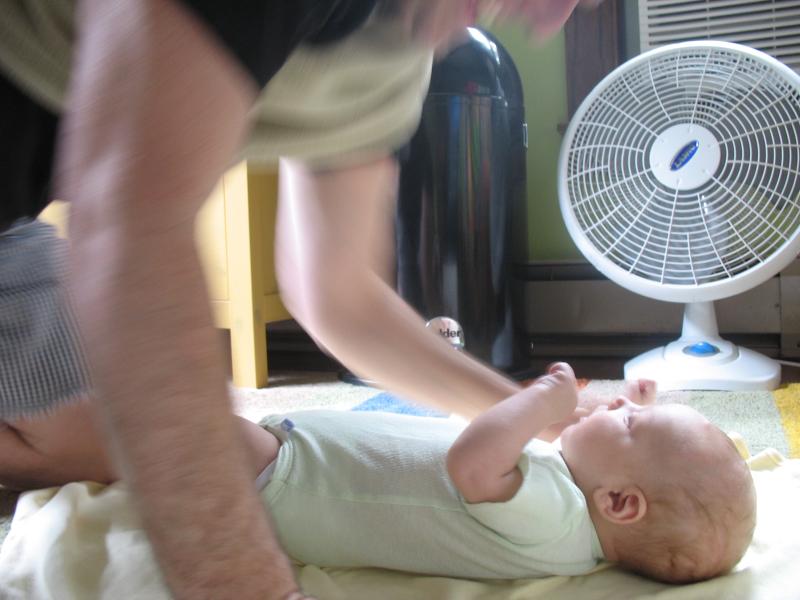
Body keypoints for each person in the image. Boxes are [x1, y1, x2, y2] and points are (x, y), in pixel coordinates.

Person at [0, 1, 597, 598]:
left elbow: (340, 297)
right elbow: (132, 230)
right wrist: (250, 585)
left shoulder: (392, 59)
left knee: (90, 430)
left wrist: (543, 419)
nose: (549, 22)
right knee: (133, 428)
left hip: (17, 231)